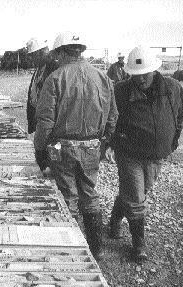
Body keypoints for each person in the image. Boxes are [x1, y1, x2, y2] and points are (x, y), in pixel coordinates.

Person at [34, 32, 118, 260]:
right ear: (81, 50)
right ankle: (96, 248)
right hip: (92, 146)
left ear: (62, 52)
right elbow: (112, 116)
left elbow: (45, 122)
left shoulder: (55, 78)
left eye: (57, 54)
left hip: (63, 148)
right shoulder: (102, 78)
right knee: (90, 194)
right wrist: (104, 142)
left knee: (67, 195)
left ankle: (67, 247)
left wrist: (40, 149)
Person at [108, 46, 183, 261]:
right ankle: (138, 245)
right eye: (136, 74)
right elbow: (111, 119)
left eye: (145, 73)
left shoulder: (173, 88)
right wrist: (109, 143)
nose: (141, 78)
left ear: (154, 70)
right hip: (129, 153)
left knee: (139, 192)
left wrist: (174, 138)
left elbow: (181, 113)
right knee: (136, 197)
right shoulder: (121, 91)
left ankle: (114, 222)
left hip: (156, 154)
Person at [26, 37, 59, 134]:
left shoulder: (55, 68)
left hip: (49, 121)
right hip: (38, 118)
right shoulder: (39, 68)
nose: (31, 59)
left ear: (41, 53)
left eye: (33, 55)